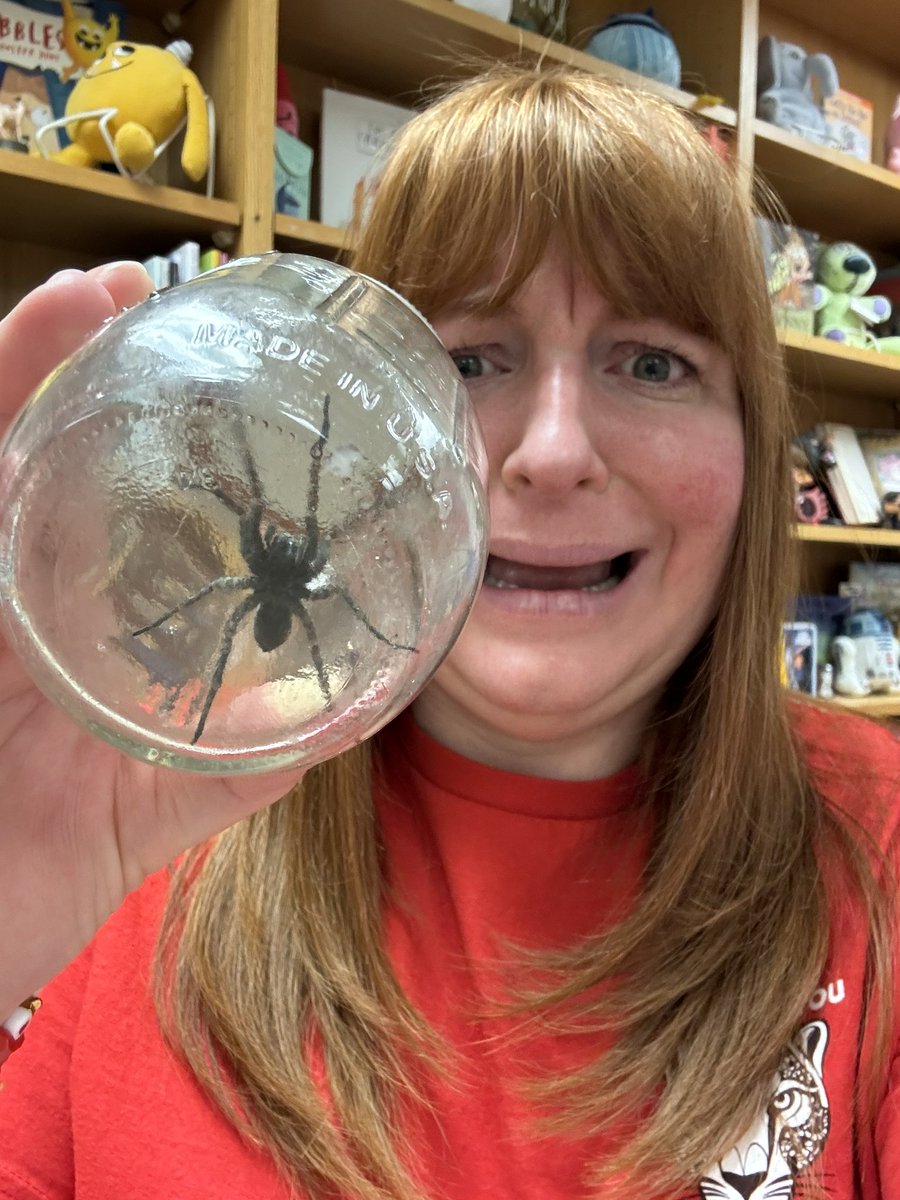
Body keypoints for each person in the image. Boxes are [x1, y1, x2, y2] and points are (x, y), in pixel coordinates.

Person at [0, 63, 899, 1200]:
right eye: (467, 361)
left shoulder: (882, 855)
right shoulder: (139, 818)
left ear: (756, 445)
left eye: (655, 363)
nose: (554, 452)